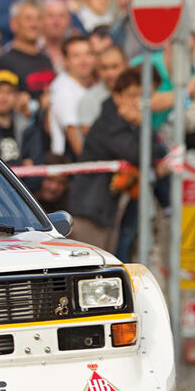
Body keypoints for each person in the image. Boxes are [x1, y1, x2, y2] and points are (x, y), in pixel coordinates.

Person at [66, 68, 167, 253]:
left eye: (143, 96)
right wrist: (143, 124)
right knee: (92, 269)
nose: (137, 101)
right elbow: (140, 154)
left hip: (108, 212)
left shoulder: (125, 123)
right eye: (131, 95)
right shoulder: (109, 123)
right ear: (116, 97)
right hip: (90, 213)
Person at [0, 0, 55, 146]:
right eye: (28, 19)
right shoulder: (5, 60)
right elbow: (5, 103)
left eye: (38, 18)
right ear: (14, 24)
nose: (34, 24)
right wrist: (38, 104)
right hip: (23, 141)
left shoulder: (46, 59)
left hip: (49, 138)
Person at [48, 35, 96, 158]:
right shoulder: (64, 89)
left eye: (88, 54)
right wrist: (89, 166)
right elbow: (73, 132)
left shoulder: (86, 87)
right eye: (76, 56)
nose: (84, 60)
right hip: (70, 164)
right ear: (65, 61)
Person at [77, 45, 126, 132]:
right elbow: (90, 138)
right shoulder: (89, 99)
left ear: (126, 65)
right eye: (104, 68)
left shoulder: (139, 92)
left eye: (115, 67)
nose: (110, 73)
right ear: (98, 70)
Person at [42, 0, 77, 71]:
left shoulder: (76, 50)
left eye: (61, 16)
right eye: (50, 16)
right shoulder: (31, 47)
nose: (56, 22)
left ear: (69, 21)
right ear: (42, 19)